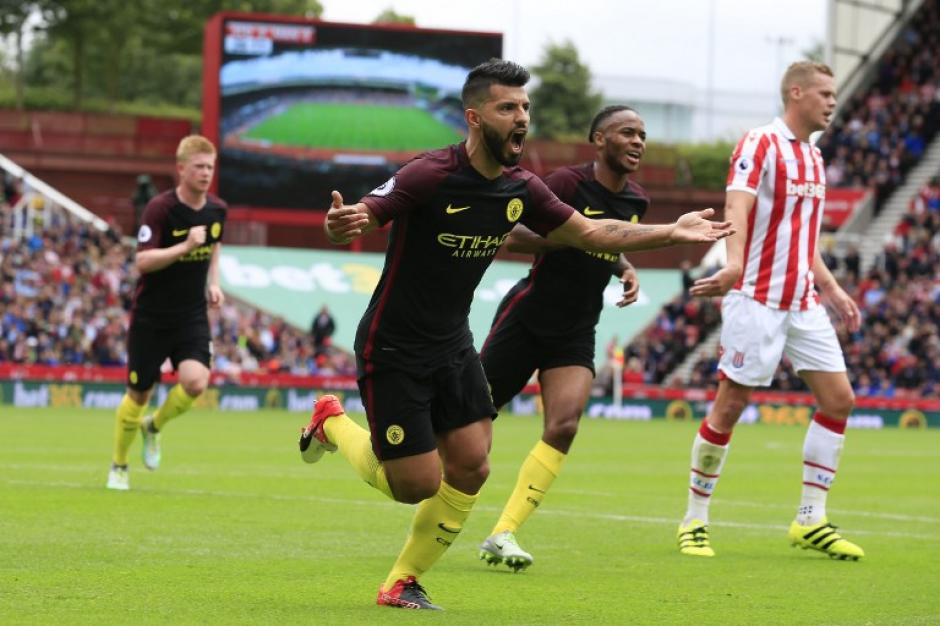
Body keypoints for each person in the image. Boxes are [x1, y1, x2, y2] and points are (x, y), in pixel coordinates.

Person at [299, 59, 732, 610]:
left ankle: (400, 582)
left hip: (453, 343)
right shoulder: (429, 173)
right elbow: (367, 211)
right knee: (415, 484)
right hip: (394, 344)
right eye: (509, 107)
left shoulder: (523, 187)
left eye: (526, 107)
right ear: (476, 118)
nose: (522, 117)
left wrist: (671, 231)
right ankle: (331, 421)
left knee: (474, 465)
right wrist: (344, 222)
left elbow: (592, 230)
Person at [675, 61, 864, 561]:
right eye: (824, 93)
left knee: (839, 400)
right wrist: (735, 264)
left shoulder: (815, 158)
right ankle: (694, 520)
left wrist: (833, 289)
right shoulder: (760, 143)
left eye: (834, 93)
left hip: (802, 300)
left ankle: (810, 520)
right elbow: (735, 205)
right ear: (795, 93)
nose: (832, 101)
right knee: (731, 406)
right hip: (756, 296)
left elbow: (806, 239)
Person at [476, 105, 650, 571]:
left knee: (565, 424)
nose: (637, 142)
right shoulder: (565, 185)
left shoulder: (636, 203)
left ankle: (503, 531)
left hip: (576, 329)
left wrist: (626, 265)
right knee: (464, 419)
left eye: (642, 135)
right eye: (627, 133)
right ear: (599, 139)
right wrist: (578, 235)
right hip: (527, 317)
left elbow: (612, 243)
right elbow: (514, 236)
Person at [106, 135, 226, 491]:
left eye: (210, 166)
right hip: (150, 318)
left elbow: (215, 245)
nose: (206, 173)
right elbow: (142, 261)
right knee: (139, 394)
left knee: (196, 382)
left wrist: (214, 283)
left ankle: (153, 427)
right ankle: (119, 464)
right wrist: (185, 245)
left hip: (190, 316)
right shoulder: (160, 209)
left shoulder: (217, 210)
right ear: (181, 169)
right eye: (199, 167)